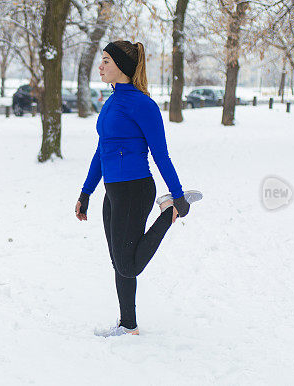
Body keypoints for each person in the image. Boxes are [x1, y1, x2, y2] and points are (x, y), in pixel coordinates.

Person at [74, 40, 202, 337]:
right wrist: (86, 193)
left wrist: (179, 194)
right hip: (113, 193)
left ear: (122, 66)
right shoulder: (111, 103)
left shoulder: (143, 105)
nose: (101, 66)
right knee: (119, 263)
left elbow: (161, 154)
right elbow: (101, 151)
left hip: (135, 190)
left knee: (128, 266)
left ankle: (168, 212)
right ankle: (127, 325)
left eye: (106, 60)